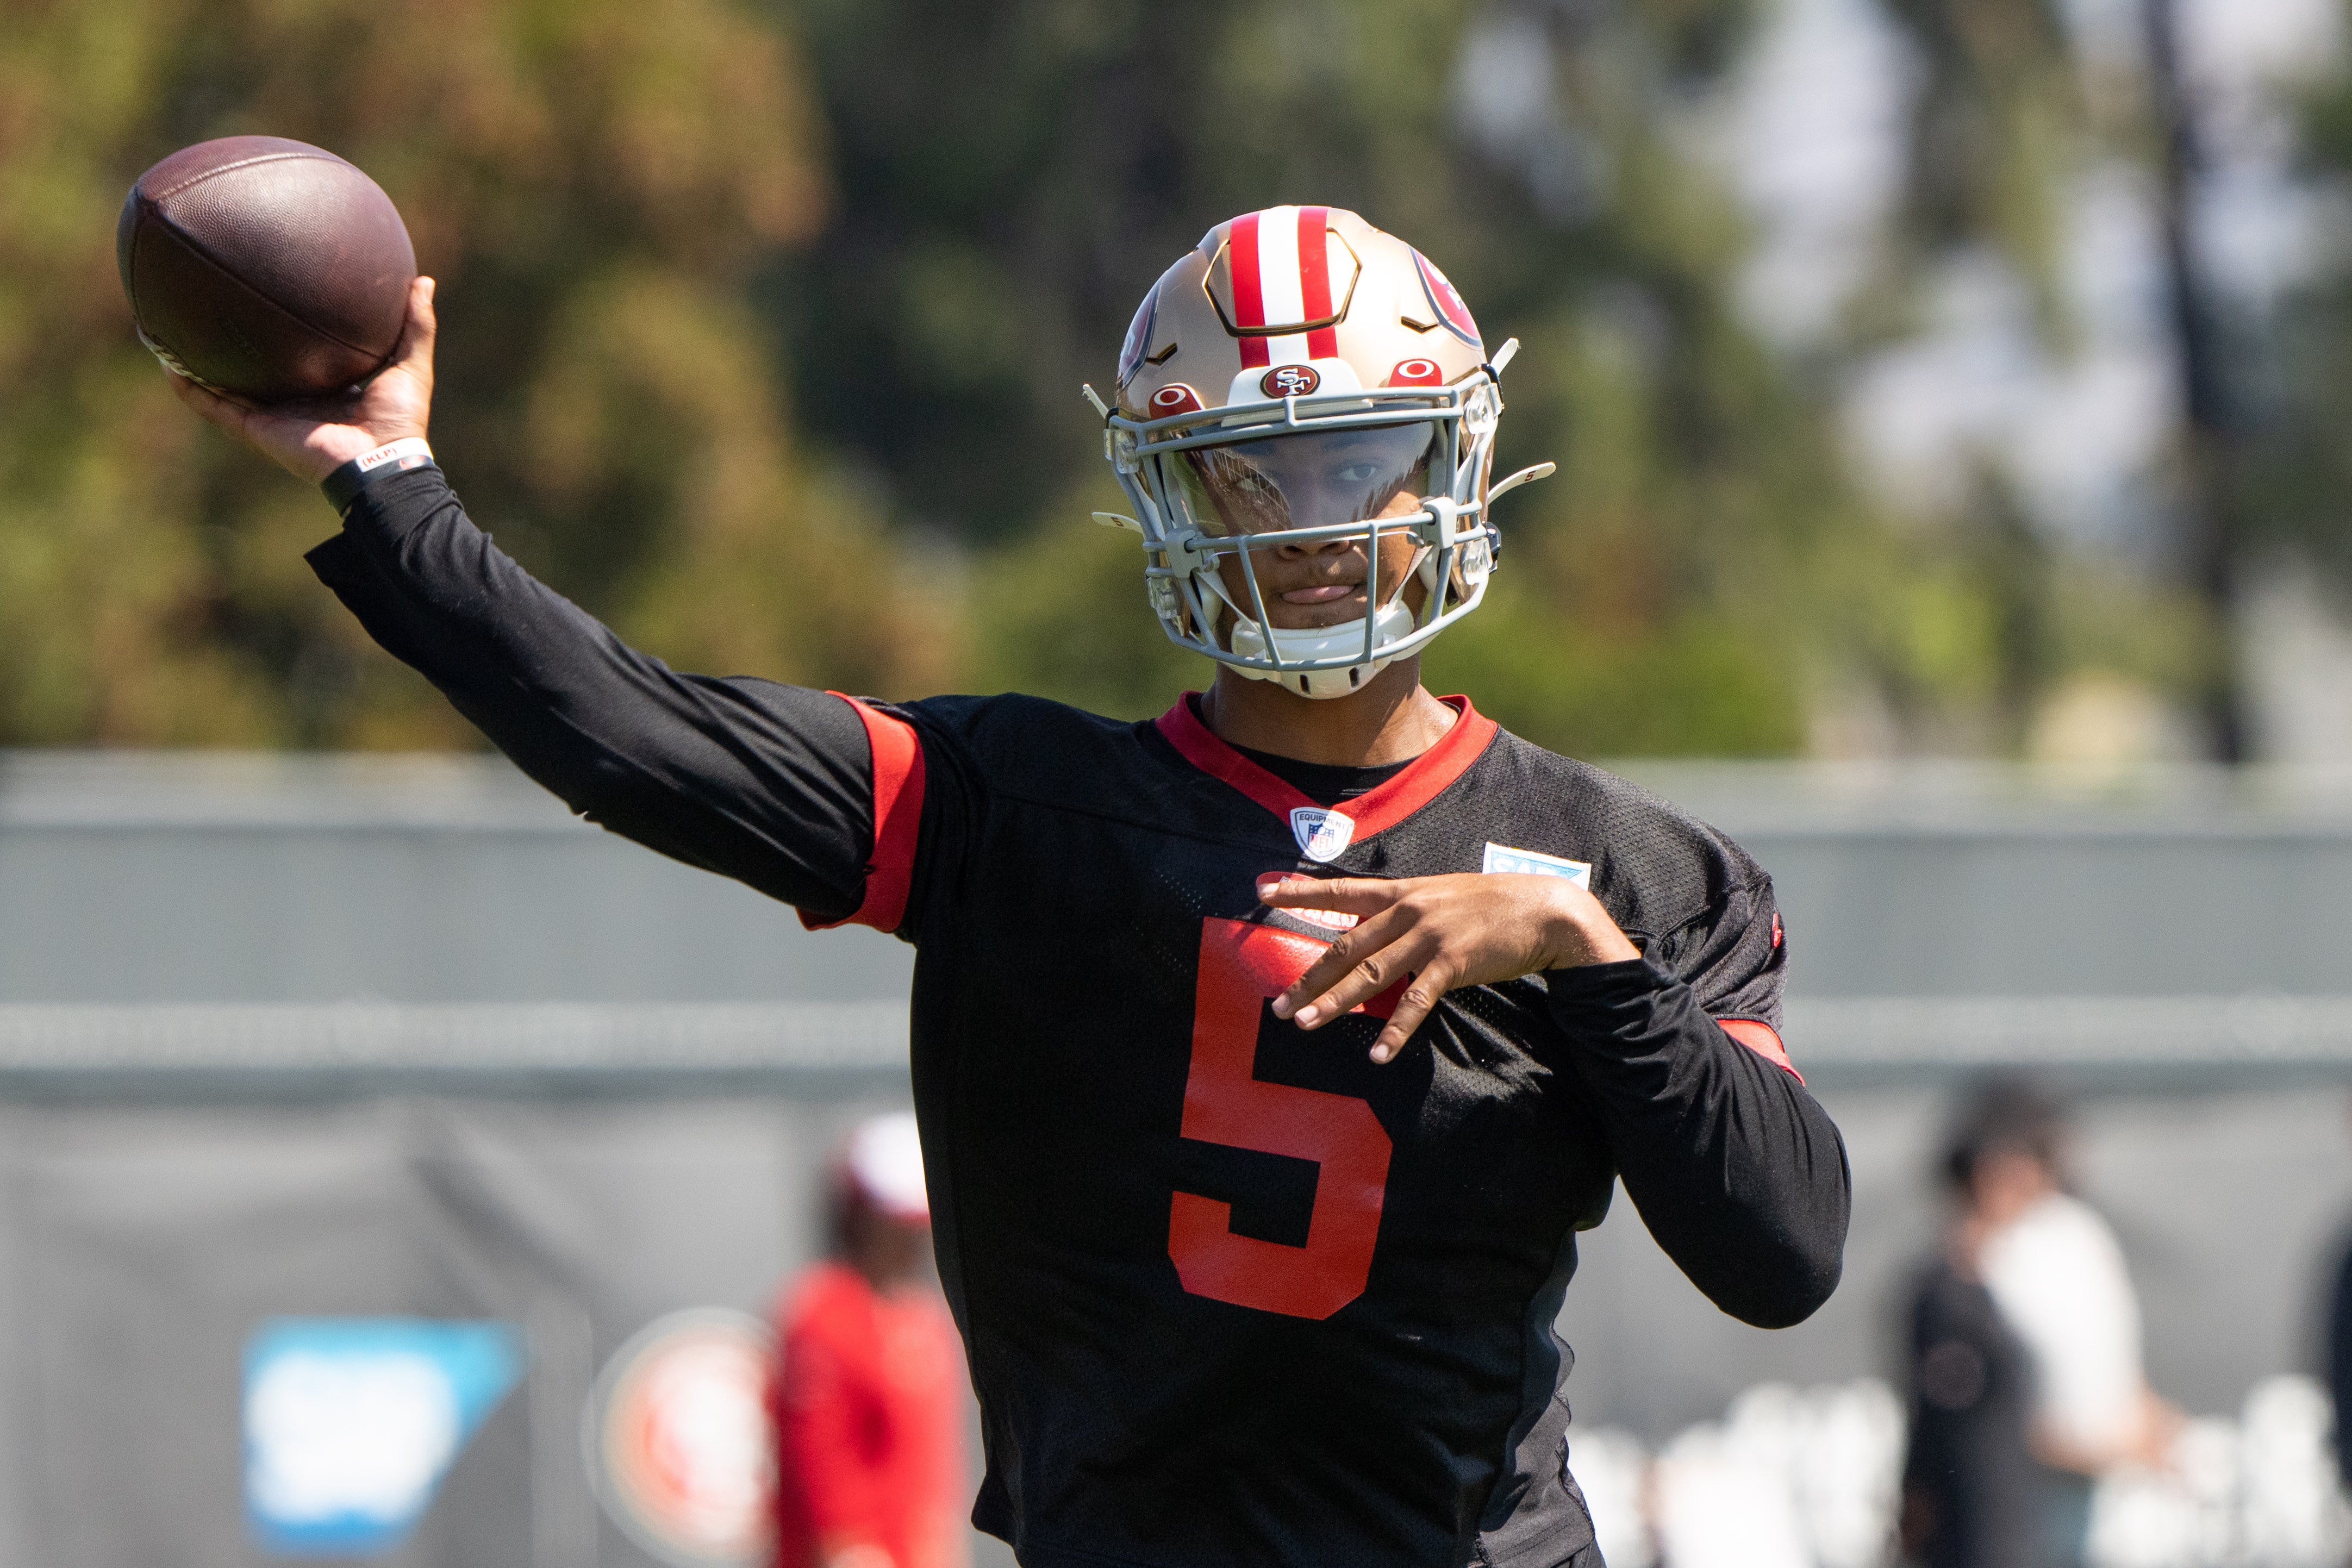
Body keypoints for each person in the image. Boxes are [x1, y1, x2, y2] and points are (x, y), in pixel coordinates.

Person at [165, 204, 1850, 1567]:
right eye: (1253, 470)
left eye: (1360, 455)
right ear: (1168, 490)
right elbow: (630, 733)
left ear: (1450, 463)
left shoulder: (1625, 870)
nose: (1317, 523)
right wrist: (384, 481)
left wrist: (1582, 952)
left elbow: (1779, 1251)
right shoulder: (1015, 810)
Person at [1901, 1077, 2176, 1568]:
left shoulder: (2066, 1243)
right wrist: (2107, 1449)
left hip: (2093, 1513)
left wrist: (2152, 1429)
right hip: (2011, 1525)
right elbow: (1981, 1432)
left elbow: (2110, 1362)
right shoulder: (1955, 1289)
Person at [771, 1113, 968, 1568]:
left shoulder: (921, 1319)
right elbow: (821, 1469)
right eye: (898, 1224)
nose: (912, 1241)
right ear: (859, 1219)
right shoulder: (823, 1317)